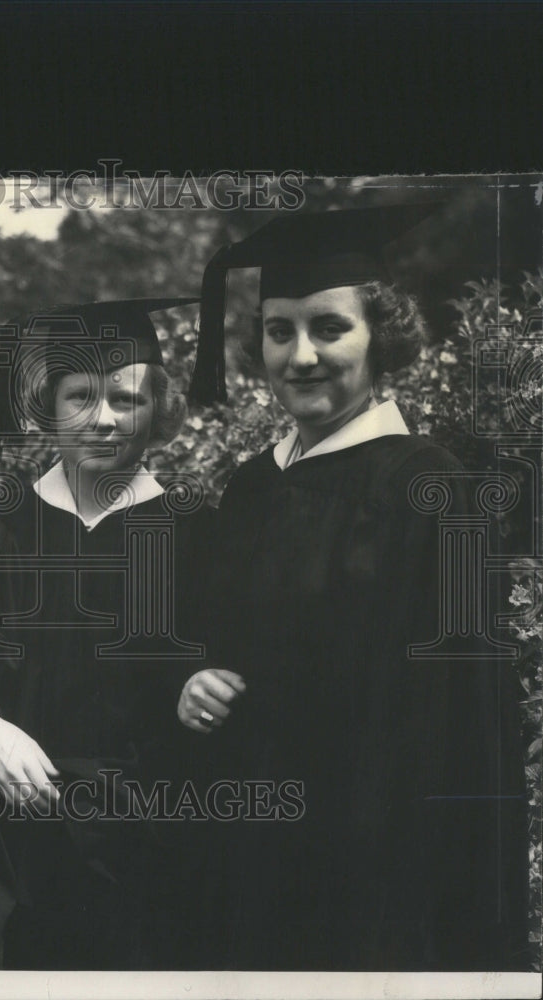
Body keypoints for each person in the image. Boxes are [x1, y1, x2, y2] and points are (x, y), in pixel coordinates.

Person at [181, 204, 529, 970]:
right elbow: (208, 636)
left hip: (376, 877)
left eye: (328, 328)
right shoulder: (248, 488)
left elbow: (469, 725)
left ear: (381, 337)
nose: (300, 355)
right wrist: (191, 679)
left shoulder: (434, 489)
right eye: (280, 331)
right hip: (248, 859)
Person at [0, 298, 215, 969]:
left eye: (125, 400)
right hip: (16, 852)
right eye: (80, 396)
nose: (102, 419)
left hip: (156, 853)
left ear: (156, 411)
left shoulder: (195, 533)